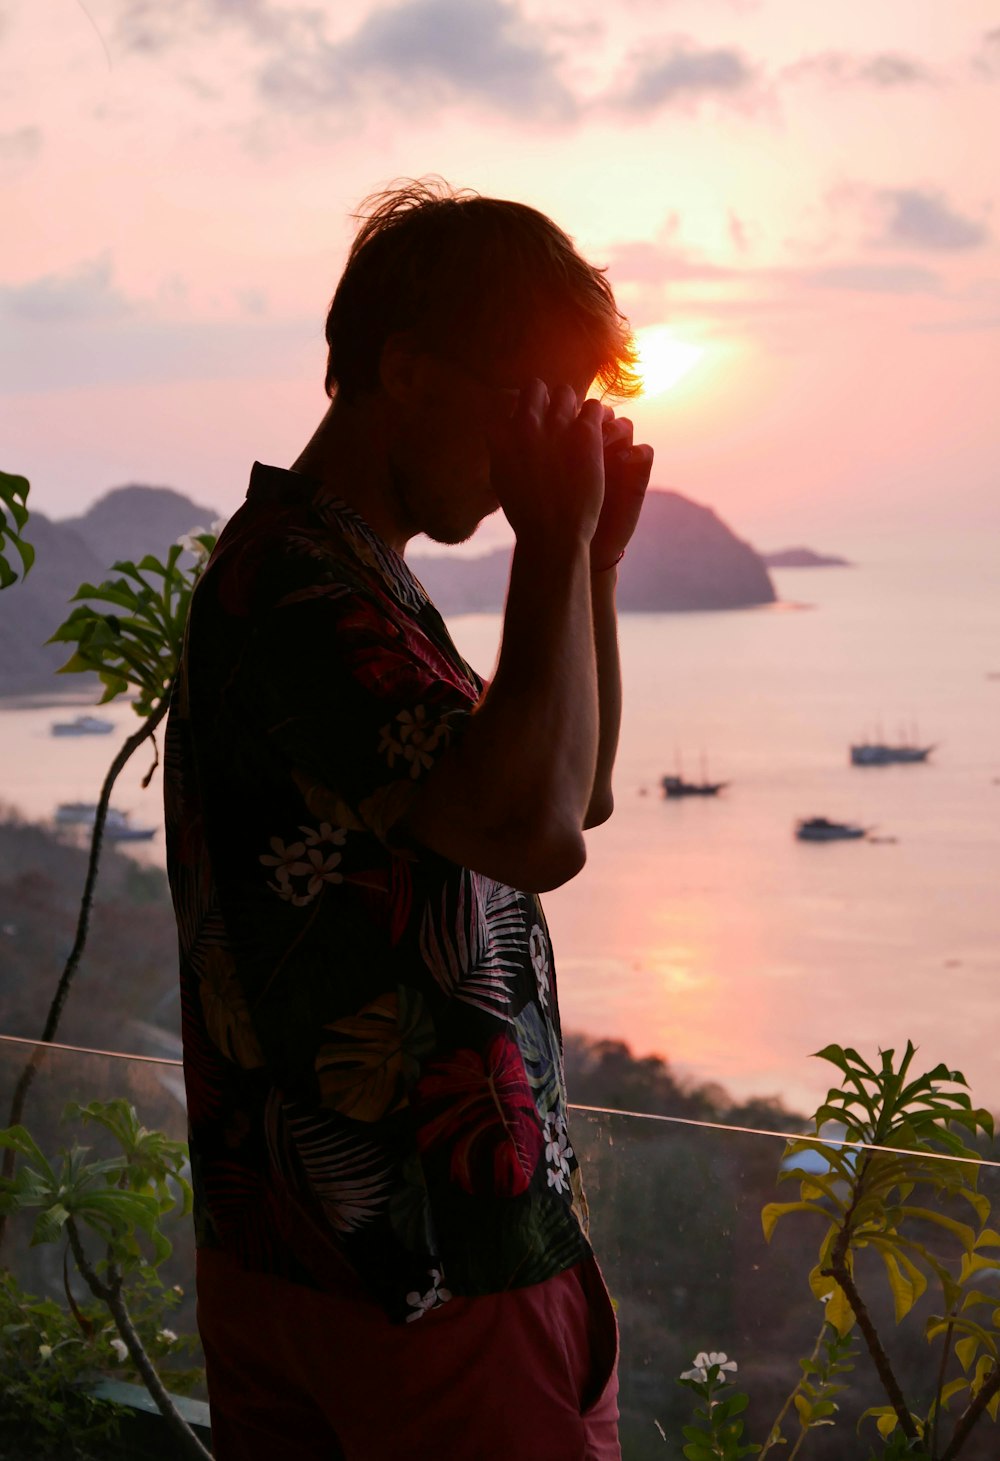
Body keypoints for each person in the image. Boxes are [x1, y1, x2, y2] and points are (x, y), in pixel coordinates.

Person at [164, 179, 653, 1461]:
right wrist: (554, 542)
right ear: (407, 372)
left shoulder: (332, 576)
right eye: (527, 409)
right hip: (426, 1268)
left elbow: (563, 789)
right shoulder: (310, 597)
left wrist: (588, 566)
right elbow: (544, 836)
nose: (534, 455)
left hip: (305, 1252)